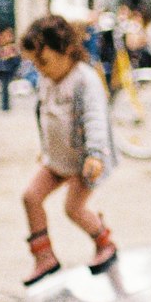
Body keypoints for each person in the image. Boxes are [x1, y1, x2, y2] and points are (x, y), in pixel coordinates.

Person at [19, 14, 116, 285]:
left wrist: (96, 154)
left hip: (86, 160)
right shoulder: (47, 79)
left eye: (44, 61)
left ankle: (105, 244)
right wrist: (45, 148)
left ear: (68, 51)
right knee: (30, 197)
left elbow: (95, 118)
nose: (40, 69)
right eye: (35, 64)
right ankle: (44, 257)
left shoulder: (85, 80)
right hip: (57, 159)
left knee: (73, 208)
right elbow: (45, 115)